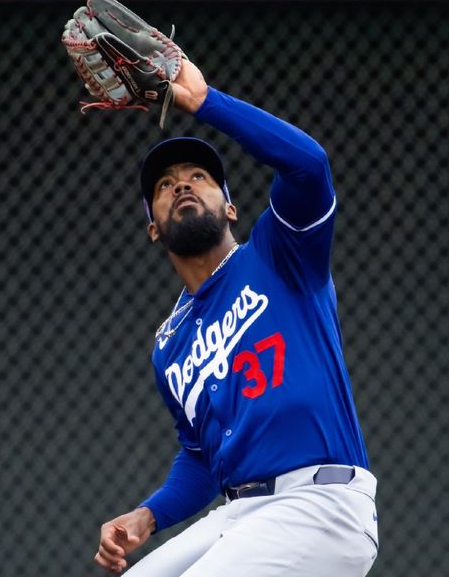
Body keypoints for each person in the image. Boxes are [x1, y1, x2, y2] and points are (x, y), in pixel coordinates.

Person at [93, 58, 379, 576]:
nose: (182, 186)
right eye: (164, 186)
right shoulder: (170, 345)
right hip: (241, 513)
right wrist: (148, 515)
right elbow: (203, 457)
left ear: (229, 207)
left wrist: (207, 103)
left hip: (319, 503)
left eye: (199, 177)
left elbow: (309, 165)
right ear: (153, 229)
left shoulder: (281, 251)